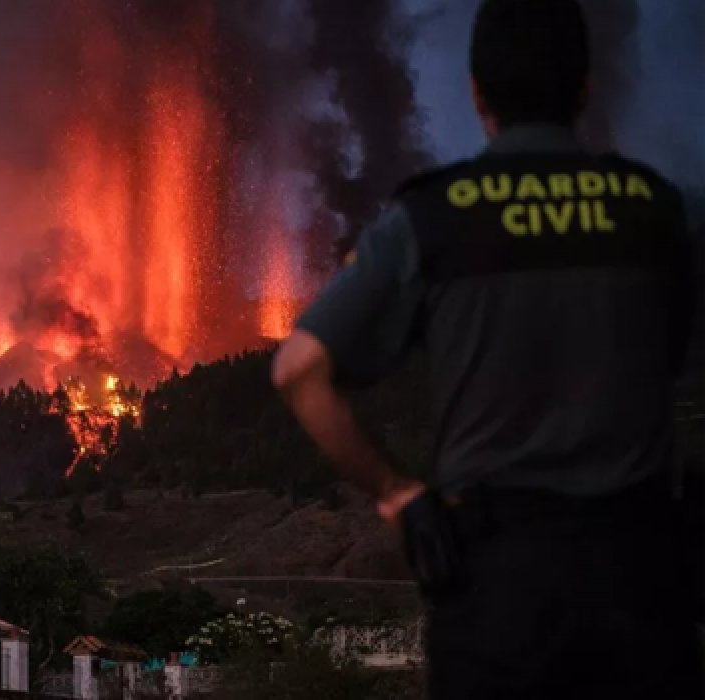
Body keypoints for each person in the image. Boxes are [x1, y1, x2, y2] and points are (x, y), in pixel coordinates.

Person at [272, 0, 703, 697]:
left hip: (499, 592)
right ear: (585, 87)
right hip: (639, 582)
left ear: (475, 93)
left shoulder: (435, 216)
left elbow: (298, 369)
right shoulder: (657, 211)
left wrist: (397, 493)